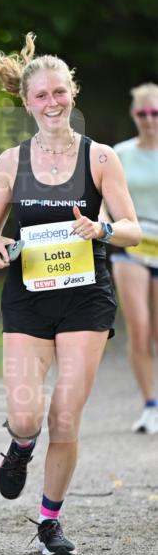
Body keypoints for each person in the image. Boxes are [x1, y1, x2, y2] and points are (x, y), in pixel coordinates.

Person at [0, 33, 141, 555]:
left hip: (85, 297)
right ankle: (20, 445)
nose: (52, 102)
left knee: (66, 416)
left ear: (73, 93)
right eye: (41, 95)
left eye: (59, 92)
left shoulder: (100, 159)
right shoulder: (10, 161)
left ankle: (49, 520)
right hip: (27, 297)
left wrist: (102, 229)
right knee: (27, 416)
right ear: (26, 103)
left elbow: (134, 228)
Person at [109, 83, 158, 434]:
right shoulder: (120, 154)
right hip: (132, 248)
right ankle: (149, 405)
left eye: (155, 112)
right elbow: (102, 196)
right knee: (139, 331)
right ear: (133, 115)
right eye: (143, 113)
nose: (150, 120)